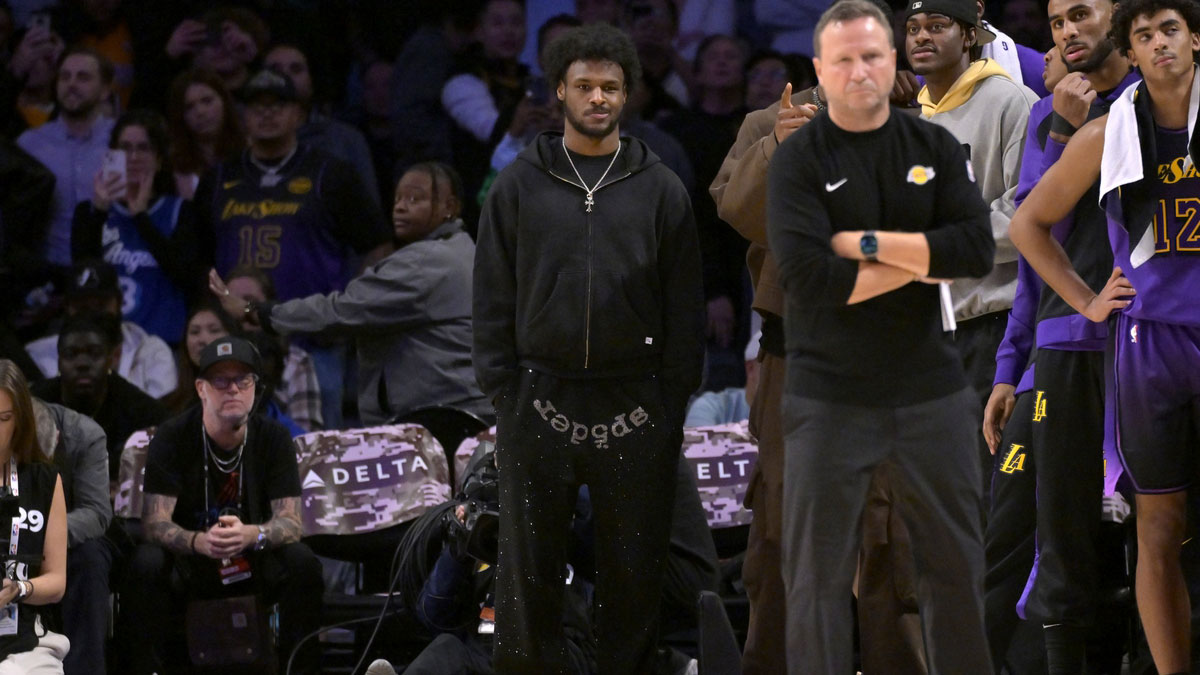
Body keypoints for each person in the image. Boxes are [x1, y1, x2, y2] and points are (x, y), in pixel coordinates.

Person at [765, 2, 995, 672]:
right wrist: (922, 256)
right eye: (842, 59)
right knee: (815, 578)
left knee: (955, 566)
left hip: (932, 385)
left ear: (893, 62)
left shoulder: (931, 145)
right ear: (819, 71)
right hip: (827, 392)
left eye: (871, 56)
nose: (859, 71)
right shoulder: (796, 160)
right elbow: (809, 278)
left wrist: (868, 247)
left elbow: (976, 248)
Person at [472, 22, 704, 674]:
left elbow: (685, 306)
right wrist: (504, 390)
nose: (597, 98)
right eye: (584, 86)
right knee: (529, 571)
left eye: (610, 87)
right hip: (537, 394)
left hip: (636, 397)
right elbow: (491, 295)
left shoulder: (661, 187)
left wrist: (670, 400)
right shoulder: (518, 184)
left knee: (633, 571)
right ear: (559, 93)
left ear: (628, 95)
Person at [1009, 0, 1200, 671]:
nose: (1158, 45)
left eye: (1169, 29)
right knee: (1157, 527)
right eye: (1144, 36)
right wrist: (1088, 300)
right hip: (1149, 347)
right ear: (1134, 48)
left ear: (1195, 38)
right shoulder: (1108, 130)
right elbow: (1027, 225)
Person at [986, 0, 1138, 668]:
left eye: (1080, 14)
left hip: (1147, 350)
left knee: (1153, 543)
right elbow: (1032, 256)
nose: (1067, 32)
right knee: (1036, 548)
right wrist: (1008, 369)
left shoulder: (1157, 105)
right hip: (1059, 353)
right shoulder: (1050, 116)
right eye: (1054, 23)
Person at [211, 162, 491, 425]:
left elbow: (342, 311)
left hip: (441, 416)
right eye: (397, 199)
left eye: (415, 199)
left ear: (449, 207)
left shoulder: (426, 261)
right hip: (467, 408)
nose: (400, 208)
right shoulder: (465, 250)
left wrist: (258, 312)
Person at [187, 68, 390, 429]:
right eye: (256, 104)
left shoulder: (331, 173)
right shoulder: (219, 179)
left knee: (319, 452)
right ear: (243, 114)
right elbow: (197, 258)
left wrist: (346, 309)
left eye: (278, 104)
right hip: (236, 340)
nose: (267, 112)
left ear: (299, 113)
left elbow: (378, 247)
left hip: (314, 341)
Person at [125, 335, 323, 674]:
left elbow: (291, 523)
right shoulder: (172, 437)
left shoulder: (273, 438)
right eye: (221, 380)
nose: (232, 388)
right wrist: (197, 542)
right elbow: (155, 524)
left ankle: (299, 670)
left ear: (255, 389)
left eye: (242, 380)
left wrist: (252, 534)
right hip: (191, 561)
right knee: (146, 562)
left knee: (302, 562)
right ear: (201, 388)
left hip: (253, 557)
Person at [905, 0, 1038, 490]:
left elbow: (1028, 211)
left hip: (992, 327)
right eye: (914, 28)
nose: (921, 36)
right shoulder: (907, 124)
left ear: (969, 35)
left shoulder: (1010, 100)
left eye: (936, 26)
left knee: (987, 487)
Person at [71, 109, 193, 345]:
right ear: (111, 156)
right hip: (104, 344)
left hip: (163, 343)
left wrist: (141, 217)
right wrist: (98, 212)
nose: (134, 157)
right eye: (125, 148)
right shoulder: (89, 212)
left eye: (144, 148)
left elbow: (185, 276)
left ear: (159, 160)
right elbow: (82, 277)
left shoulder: (181, 211)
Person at [29, 398, 114, 675]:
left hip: (69, 539)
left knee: (89, 559)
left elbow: (96, 512)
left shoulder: (85, 435)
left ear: (55, 439)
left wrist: (45, 533)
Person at [31, 312, 168, 482]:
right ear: (59, 361)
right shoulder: (33, 404)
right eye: (71, 354)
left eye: (94, 353)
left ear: (111, 359)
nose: (82, 363)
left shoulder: (142, 411)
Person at [16, 46, 114, 270]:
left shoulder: (122, 141)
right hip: (46, 271)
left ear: (105, 89)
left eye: (83, 77)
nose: (71, 84)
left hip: (111, 269)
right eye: (65, 76)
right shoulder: (29, 144)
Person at [0, 360, 69, 672]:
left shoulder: (44, 480)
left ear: (20, 420)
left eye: (2, 418)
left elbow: (56, 581)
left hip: (26, 637)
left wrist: (19, 589)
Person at [25, 260, 178, 398]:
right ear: (66, 307)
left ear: (119, 303)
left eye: (100, 306)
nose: (91, 315)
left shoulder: (152, 352)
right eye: (82, 307)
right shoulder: (37, 354)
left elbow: (161, 420)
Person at [263, 42, 381, 212]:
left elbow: (369, 213)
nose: (285, 76)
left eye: (296, 69)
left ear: (311, 82)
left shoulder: (345, 139)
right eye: (275, 69)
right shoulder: (242, 137)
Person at [216, 267, 322, 432]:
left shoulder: (296, 361)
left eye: (248, 302)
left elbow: (306, 438)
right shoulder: (211, 359)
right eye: (231, 303)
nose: (238, 311)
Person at [165, 68, 244, 200]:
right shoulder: (171, 165)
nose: (200, 112)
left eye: (207, 101)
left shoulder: (250, 151)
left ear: (224, 101)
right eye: (189, 107)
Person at [161, 301, 240, 414]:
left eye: (214, 330)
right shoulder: (168, 406)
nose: (203, 340)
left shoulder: (255, 400)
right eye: (194, 332)